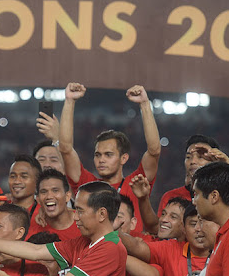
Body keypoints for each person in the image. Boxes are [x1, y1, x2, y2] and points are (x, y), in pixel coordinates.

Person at [58, 82, 161, 228]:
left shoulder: (136, 185)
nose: (101, 160)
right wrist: (69, 101)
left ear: (123, 158)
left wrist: (144, 104)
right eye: (98, 155)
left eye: (108, 155)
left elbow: (154, 150)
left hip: (131, 244)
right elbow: (66, 149)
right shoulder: (87, 186)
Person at [157, 134, 219, 216]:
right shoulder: (171, 197)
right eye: (188, 157)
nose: (193, 161)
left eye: (200, 157)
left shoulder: (222, 197)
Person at [27, 169, 79, 241]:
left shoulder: (84, 222)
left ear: (67, 196)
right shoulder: (31, 229)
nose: (49, 196)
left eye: (55, 191)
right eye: (44, 192)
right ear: (38, 199)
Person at [8, 154, 42, 223]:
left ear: (37, 181)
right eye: (13, 176)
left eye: (24, 177)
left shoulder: (44, 215)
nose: (17, 181)